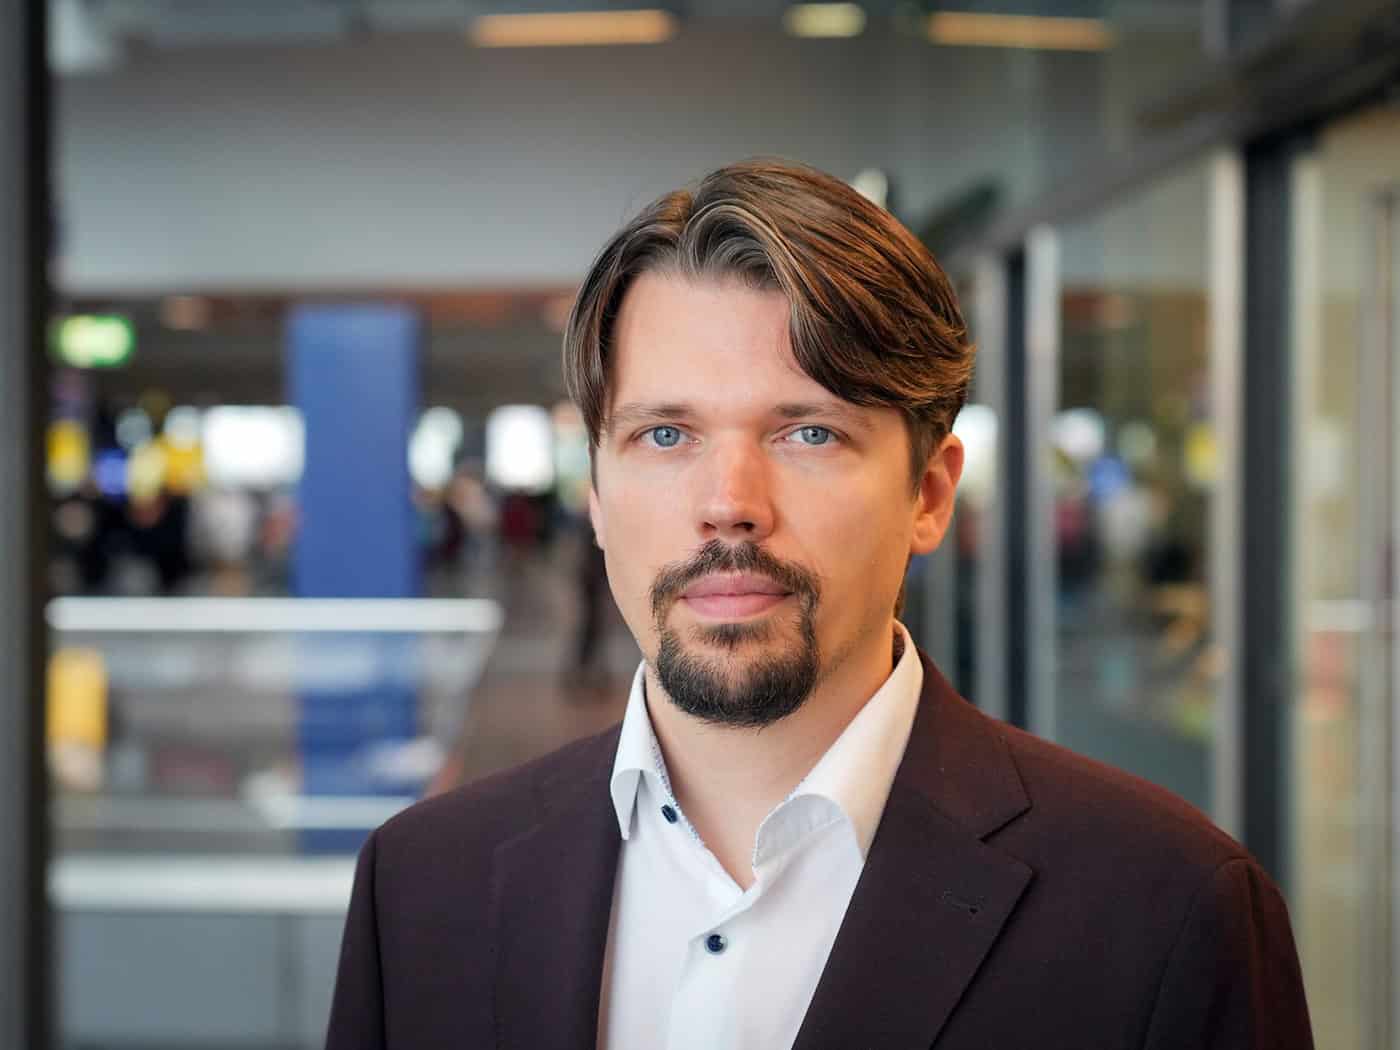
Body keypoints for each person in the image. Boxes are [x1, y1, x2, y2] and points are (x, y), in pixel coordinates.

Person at [325, 160, 1313, 1049]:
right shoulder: (421, 889)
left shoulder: (1166, 912)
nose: (729, 506)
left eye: (807, 433)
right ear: (594, 493)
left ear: (927, 493)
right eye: (664, 436)